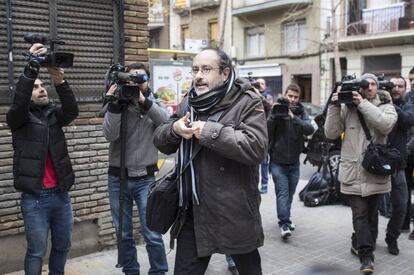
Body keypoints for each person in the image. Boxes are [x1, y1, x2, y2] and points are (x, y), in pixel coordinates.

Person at [153, 48, 268, 275]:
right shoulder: (190, 100)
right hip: (193, 212)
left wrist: (209, 131)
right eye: (195, 69)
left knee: (249, 270)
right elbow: (161, 139)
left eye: (206, 69)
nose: (198, 75)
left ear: (225, 73)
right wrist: (174, 130)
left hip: (234, 211)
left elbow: (257, 147)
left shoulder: (248, 101)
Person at [6, 44, 79, 275]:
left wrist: (60, 81)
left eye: (43, 86)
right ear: (27, 92)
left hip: (61, 196)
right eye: (35, 87)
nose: (41, 89)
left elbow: (72, 111)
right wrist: (32, 67)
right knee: (36, 251)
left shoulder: (54, 115)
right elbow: (18, 102)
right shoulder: (19, 119)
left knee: (63, 246)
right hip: (35, 199)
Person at [325, 73, 397, 274]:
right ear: (360, 86)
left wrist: (363, 103)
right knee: (360, 214)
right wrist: (334, 106)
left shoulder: (385, 104)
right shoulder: (347, 107)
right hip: (352, 171)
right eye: (367, 84)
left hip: (375, 171)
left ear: (378, 86)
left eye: (374, 83)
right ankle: (366, 256)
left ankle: (358, 241)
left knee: (371, 215)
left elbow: (385, 125)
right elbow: (331, 133)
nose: (371, 86)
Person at [103, 63, 169, 275]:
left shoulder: (153, 102)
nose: (136, 83)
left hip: (145, 179)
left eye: (140, 79)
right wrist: (114, 104)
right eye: (131, 79)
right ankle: (131, 270)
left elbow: (166, 123)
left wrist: (143, 100)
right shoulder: (118, 102)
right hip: (117, 178)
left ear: (147, 81)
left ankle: (158, 271)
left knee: (152, 232)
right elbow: (109, 135)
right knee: (123, 233)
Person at [267, 83, 314, 239]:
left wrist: (294, 118)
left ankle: (285, 217)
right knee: (282, 192)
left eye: (295, 97)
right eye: (290, 96)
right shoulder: (277, 109)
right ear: (285, 95)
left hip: (294, 162)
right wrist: (274, 116)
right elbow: (266, 130)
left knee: (290, 194)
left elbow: (310, 129)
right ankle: (284, 223)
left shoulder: (300, 112)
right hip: (277, 161)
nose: (292, 100)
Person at [384, 76, 414, 255]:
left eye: (400, 86)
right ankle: (366, 239)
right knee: (372, 206)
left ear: (404, 88)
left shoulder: (407, 104)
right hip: (375, 164)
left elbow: (407, 120)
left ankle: (392, 237)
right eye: (392, 86)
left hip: (397, 165)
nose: (396, 89)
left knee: (401, 205)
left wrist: (389, 104)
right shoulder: (377, 102)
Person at [404, 67, 414, 239]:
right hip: (407, 151)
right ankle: (403, 223)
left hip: (410, 147)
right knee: (403, 187)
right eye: (411, 79)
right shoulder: (407, 97)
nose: (413, 82)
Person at [257, 78, 272, 194]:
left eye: (262, 83)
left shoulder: (267, 96)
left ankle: (265, 184)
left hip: (264, 132)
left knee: (264, 161)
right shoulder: (250, 95)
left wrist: (258, 95)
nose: (260, 85)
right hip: (253, 130)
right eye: (258, 83)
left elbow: (269, 106)